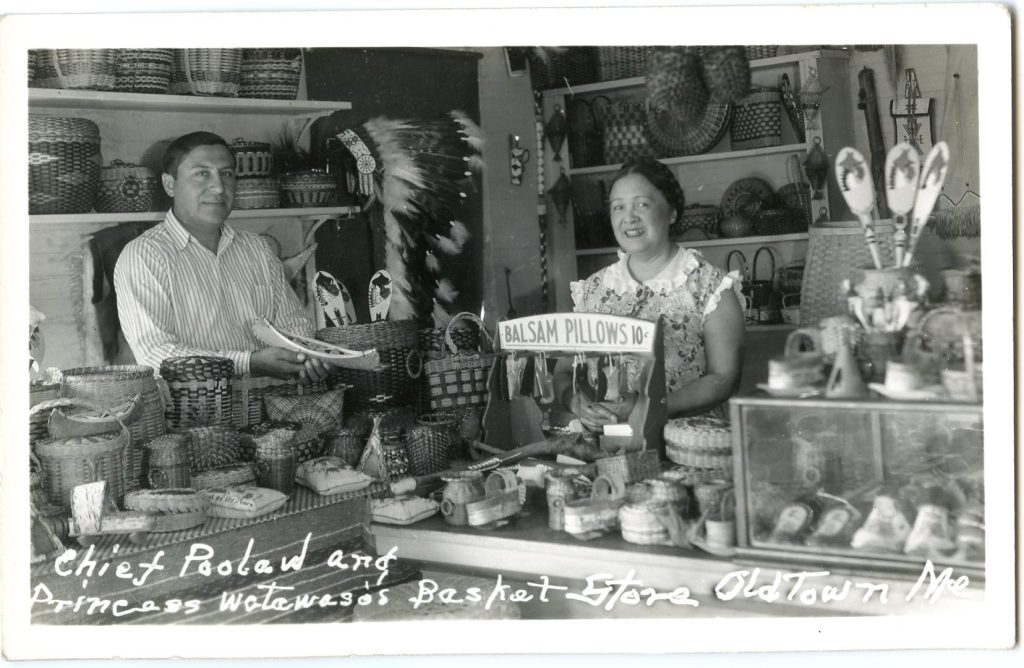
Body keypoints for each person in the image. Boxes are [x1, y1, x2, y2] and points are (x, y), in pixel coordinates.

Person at [114, 131, 331, 382]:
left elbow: (294, 326)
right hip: (193, 417)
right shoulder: (144, 256)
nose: (218, 187)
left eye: (226, 173)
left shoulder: (257, 249)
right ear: (169, 184)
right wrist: (248, 363)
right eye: (201, 173)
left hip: (270, 410)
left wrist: (305, 356)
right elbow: (156, 355)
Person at [554, 158, 744, 430]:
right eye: (618, 207)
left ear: (672, 212)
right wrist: (574, 402)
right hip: (607, 447)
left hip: (688, 446)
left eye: (641, 204)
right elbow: (564, 371)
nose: (628, 218)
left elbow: (724, 378)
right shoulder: (592, 290)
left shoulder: (711, 287)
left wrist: (649, 406)